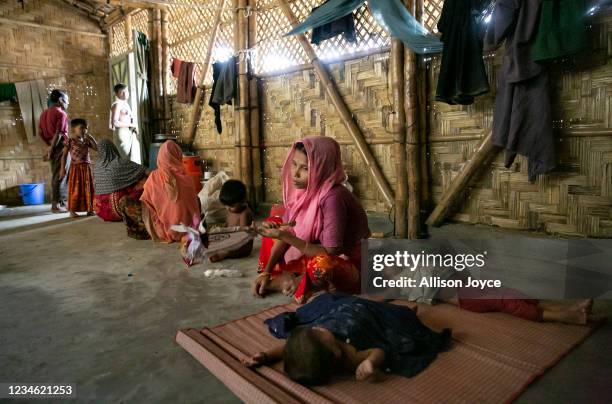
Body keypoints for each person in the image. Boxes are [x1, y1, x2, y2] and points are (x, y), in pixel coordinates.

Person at [253, 136, 370, 303]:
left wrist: (286, 236)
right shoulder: (306, 191)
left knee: (320, 266)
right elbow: (288, 231)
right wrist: (267, 271)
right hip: (315, 249)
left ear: (322, 168)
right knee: (274, 223)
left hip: (351, 264)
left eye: (305, 168)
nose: (295, 173)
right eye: (294, 164)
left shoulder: (333, 198)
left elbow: (330, 252)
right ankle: (289, 278)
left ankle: (300, 283)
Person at [242, 293, 451, 386]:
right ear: (335, 353)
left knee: (328, 300)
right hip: (368, 316)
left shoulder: (314, 342)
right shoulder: (351, 357)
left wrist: (265, 356)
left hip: (342, 311)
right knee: (399, 317)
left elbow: (287, 349)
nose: (317, 328)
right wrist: (370, 362)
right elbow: (379, 350)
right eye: (319, 333)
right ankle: (404, 310)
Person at [140, 141, 201, 242]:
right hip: (187, 231)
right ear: (178, 155)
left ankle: (161, 230)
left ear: (160, 156)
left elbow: (146, 203)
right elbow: (194, 209)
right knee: (197, 199)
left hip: (163, 232)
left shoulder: (153, 177)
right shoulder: (186, 178)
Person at [93, 139, 150, 239]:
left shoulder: (97, 166)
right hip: (118, 209)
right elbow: (145, 171)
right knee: (144, 180)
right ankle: (138, 210)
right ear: (113, 148)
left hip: (100, 210)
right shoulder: (120, 163)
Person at [208, 179, 254, 262]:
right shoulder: (231, 210)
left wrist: (227, 243)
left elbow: (243, 237)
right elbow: (227, 225)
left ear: (243, 201)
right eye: (225, 205)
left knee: (227, 249)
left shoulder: (245, 213)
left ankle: (224, 254)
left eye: (231, 206)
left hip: (242, 245)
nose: (227, 208)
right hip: (231, 239)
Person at [39, 90, 69, 213]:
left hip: (52, 146)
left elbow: (40, 133)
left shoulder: (43, 114)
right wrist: (52, 149)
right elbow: (59, 134)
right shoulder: (61, 113)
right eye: (67, 101)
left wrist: (49, 146)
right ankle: (55, 205)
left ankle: (60, 203)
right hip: (60, 146)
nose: (68, 104)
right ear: (60, 100)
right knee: (61, 175)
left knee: (56, 174)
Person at [60, 119, 97, 218]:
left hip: (87, 167)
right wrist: (62, 169)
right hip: (76, 168)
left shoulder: (87, 139)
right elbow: (63, 156)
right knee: (76, 189)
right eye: (81, 128)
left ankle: (90, 209)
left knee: (89, 188)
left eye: (86, 128)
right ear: (74, 129)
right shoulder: (70, 140)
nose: (84, 130)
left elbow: (97, 148)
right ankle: (72, 211)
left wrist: (92, 139)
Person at [109, 83, 141, 164]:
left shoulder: (126, 105)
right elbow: (115, 122)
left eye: (126, 91)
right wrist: (131, 125)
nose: (125, 93)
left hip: (129, 132)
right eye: (121, 92)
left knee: (133, 159)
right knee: (124, 159)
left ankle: (134, 175)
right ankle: (125, 175)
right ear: (116, 94)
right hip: (122, 134)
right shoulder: (117, 105)